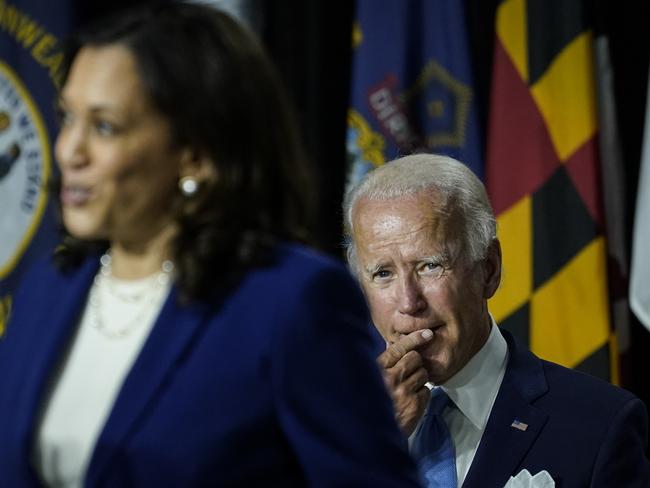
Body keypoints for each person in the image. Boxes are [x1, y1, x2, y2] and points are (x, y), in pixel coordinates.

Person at [0, 3, 421, 486]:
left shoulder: (291, 304)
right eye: (66, 118)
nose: (69, 150)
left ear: (196, 154)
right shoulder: (49, 288)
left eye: (104, 127)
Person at [343, 153, 650, 487]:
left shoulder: (598, 425)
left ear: (488, 269)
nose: (408, 302)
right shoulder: (333, 428)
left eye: (430, 265)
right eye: (383, 273)